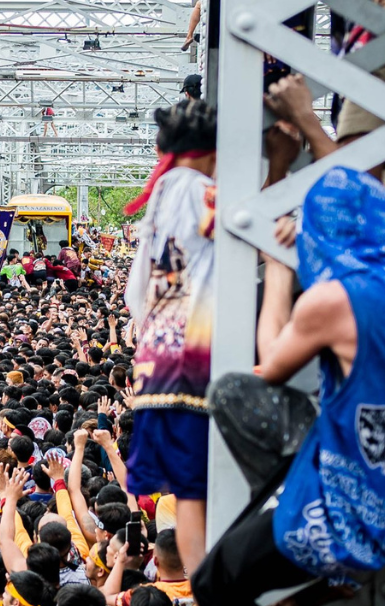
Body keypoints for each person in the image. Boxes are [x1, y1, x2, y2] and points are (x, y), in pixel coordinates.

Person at [193, 166, 385, 605]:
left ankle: (323, 567)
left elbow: (273, 363)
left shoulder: (334, 298)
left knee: (213, 582)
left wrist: (280, 270)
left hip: (356, 513)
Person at [121, 99, 216, 576]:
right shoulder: (198, 190)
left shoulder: (162, 196)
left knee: (190, 491)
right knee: (201, 488)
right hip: (193, 361)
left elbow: (133, 294)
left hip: (156, 362)